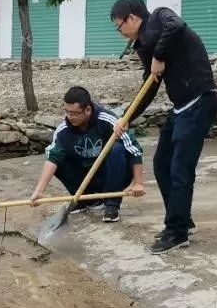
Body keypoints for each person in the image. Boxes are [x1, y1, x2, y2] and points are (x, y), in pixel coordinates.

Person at [109, 0, 217, 253]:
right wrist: (127, 116)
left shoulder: (160, 17)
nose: (119, 32)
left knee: (181, 169)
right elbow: (150, 85)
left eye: (119, 25)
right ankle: (181, 219)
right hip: (180, 107)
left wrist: (159, 55)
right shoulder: (145, 46)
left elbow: (177, 26)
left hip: (200, 101)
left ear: (133, 18)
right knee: (161, 164)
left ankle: (176, 233)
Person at [30, 86, 146, 222]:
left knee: (116, 149)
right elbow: (52, 159)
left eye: (74, 113)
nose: (70, 117)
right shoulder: (63, 130)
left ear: (88, 110)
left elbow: (134, 149)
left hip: (114, 174)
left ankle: (112, 205)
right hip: (87, 178)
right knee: (57, 159)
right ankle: (87, 200)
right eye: (67, 112)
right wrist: (39, 191)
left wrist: (138, 183)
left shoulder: (108, 120)